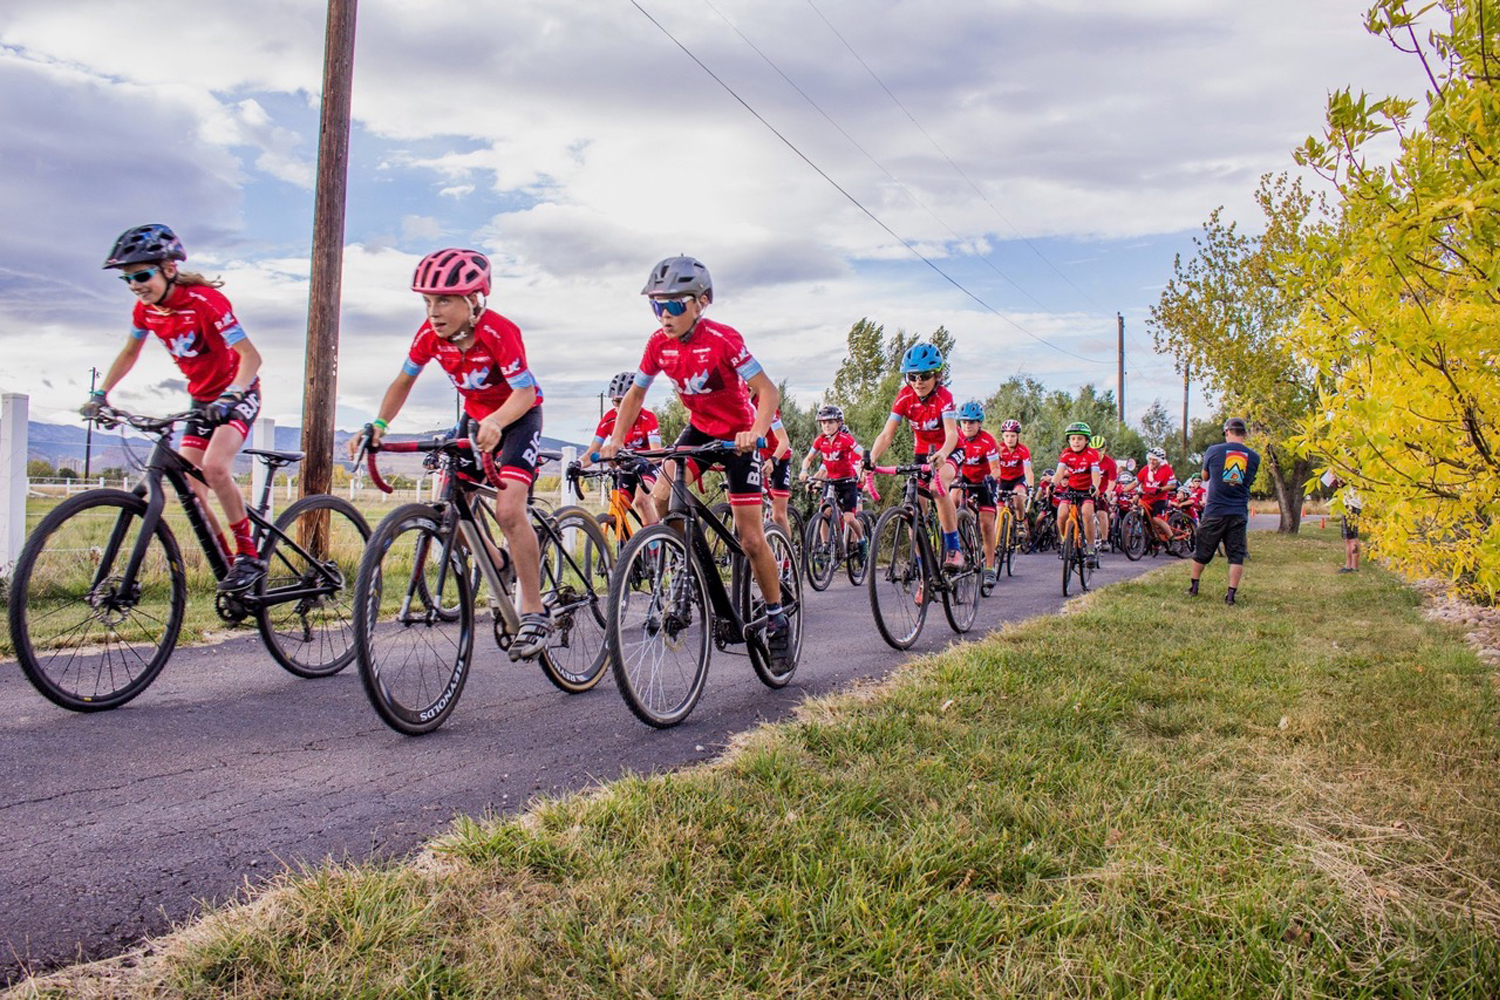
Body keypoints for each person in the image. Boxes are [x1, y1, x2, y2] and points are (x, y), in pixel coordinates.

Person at [355, 248, 553, 659]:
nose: (433, 310)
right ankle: (498, 561)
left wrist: (498, 421)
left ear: (474, 299)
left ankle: (534, 610)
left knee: (509, 510)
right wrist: (378, 425)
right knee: (451, 509)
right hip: (476, 421)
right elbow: (402, 382)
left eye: (443, 300)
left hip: (516, 417)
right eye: (427, 301)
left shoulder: (500, 331)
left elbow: (524, 392)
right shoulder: (429, 337)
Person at [600, 255, 791, 669]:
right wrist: (616, 440)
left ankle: (777, 620)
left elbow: (768, 392)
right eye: (656, 305)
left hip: (738, 435)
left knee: (751, 539)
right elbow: (634, 396)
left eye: (673, 305)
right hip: (700, 429)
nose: (663, 315)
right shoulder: (657, 344)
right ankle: (686, 563)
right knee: (663, 494)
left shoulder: (724, 339)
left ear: (701, 302)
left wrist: (756, 434)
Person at [85, 224, 267, 593]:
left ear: (168, 269)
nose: (135, 285)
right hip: (201, 401)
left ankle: (248, 556)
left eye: (141, 275)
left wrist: (232, 395)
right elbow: (130, 352)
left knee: (215, 468)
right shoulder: (146, 311)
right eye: (128, 279)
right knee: (191, 489)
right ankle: (229, 565)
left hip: (238, 392)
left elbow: (251, 356)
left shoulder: (204, 301)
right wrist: (101, 393)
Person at [866, 343, 964, 568]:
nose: (918, 382)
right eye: (912, 376)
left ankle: (954, 549)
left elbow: (951, 433)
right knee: (913, 508)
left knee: (937, 490)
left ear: (937, 376)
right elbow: (886, 434)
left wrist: (943, 453)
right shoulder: (904, 397)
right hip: (922, 453)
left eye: (925, 376)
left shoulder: (944, 396)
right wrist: (871, 458)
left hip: (949, 450)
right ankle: (923, 574)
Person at [1188, 416, 1261, 605]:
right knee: (1236, 555)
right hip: (1238, 511)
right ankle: (1230, 595)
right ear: (1244, 434)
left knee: (1202, 549)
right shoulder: (1254, 457)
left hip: (1215, 510)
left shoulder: (1214, 450)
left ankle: (1194, 586)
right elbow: (1249, 481)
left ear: (1227, 432)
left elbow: (1204, 476)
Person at [579, 371, 661, 528]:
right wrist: (578, 464)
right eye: (617, 402)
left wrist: (639, 459)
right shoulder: (609, 418)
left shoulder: (647, 418)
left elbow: (657, 452)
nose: (621, 407)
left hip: (648, 466)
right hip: (626, 468)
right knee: (617, 510)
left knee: (641, 501)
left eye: (625, 401)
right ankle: (629, 551)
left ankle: (653, 551)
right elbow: (592, 452)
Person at [800, 403, 866, 560]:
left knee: (849, 518)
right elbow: (809, 459)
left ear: (839, 423)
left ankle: (862, 540)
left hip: (848, 482)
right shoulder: (820, 441)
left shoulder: (845, 440)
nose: (826, 425)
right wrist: (804, 472)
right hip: (831, 482)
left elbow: (861, 452)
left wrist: (866, 462)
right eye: (823, 422)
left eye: (830, 422)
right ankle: (825, 546)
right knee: (825, 512)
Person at [952, 401, 1002, 589]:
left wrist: (991, 478)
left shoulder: (987, 441)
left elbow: (997, 469)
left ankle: (989, 567)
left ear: (979, 424)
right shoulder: (956, 436)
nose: (967, 426)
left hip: (983, 481)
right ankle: (953, 545)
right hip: (964, 478)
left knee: (987, 524)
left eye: (971, 422)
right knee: (952, 499)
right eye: (964, 422)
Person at [1050, 421, 1103, 567]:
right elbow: (1060, 472)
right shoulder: (1066, 454)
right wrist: (1053, 484)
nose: (1076, 442)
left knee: (1086, 514)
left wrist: (1095, 486)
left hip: (1087, 490)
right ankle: (1065, 541)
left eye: (1080, 439)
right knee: (1061, 513)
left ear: (1086, 441)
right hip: (1072, 489)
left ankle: (1091, 549)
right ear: (1069, 440)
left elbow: (1096, 473)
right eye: (1073, 439)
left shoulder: (1092, 454)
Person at [994, 418, 1034, 532]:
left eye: (1012, 436)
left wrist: (1030, 487)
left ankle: (1020, 522)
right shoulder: (998, 449)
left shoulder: (1023, 450)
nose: (1009, 439)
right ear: (1003, 436)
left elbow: (1028, 471)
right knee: (999, 513)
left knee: (1018, 497)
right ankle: (996, 546)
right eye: (1006, 436)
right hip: (1002, 481)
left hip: (1018, 480)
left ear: (1017, 437)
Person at [1139, 445, 1176, 543]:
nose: (1151, 461)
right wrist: (1124, 490)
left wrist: (1160, 489)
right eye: (1150, 459)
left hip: (1160, 498)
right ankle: (1154, 539)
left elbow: (1172, 485)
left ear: (1160, 461)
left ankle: (1172, 539)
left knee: (1156, 519)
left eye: (1154, 460)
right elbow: (1137, 481)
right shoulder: (1146, 469)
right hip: (1147, 498)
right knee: (1144, 519)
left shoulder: (1166, 469)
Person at [1091, 435, 1118, 552]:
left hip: (1102, 491)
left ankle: (1104, 540)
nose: (1096, 453)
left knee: (1102, 513)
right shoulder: (1087, 460)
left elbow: (1112, 481)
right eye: (1093, 450)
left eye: (1099, 450)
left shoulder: (1109, 462)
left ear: (1104, 450)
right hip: (1089, 490)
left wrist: (1108, 492)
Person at [1339, 481, 1362, 573]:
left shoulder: (1352, 474)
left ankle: (1354, 566)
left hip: (1352, 505)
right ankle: (1349, 565)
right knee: (1347, 538)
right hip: (1348, 504)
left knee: (1352, 538)